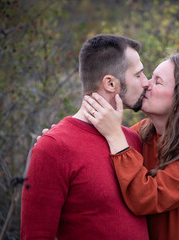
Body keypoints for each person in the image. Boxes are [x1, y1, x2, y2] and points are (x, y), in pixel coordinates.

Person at [82, 54, 179, 240]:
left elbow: (146, 198)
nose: (146, 84)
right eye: (149, 77)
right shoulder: (144, 132)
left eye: (158, 82)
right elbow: (99, 155)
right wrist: (59, 142)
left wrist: (114, 134)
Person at [20, 34, 150, 239]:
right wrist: (48, 147)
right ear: (110, 83)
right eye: (138, 75)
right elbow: (36, 235)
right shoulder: (53, 148)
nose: (146, 82)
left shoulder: (133, 140)